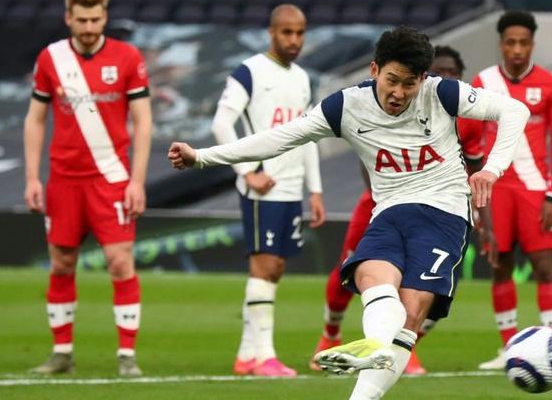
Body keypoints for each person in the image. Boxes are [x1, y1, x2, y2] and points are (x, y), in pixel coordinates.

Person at [169, 25, 528, 399]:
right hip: (389, 210)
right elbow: (278, 139)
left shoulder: (442, 93)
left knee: (411, 311)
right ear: (374, 70)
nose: (398, 93)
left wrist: (491, 169)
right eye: (391, 80)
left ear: (423, 77)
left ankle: (372, 358)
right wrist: (202, 157)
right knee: (372, 277)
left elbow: (514, 109)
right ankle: (374, 344)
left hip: (444, 212)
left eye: (409, 84)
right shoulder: (345, 106)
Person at [308, 45, 497, 376]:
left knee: (428, 288)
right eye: (440, 71)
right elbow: (370, 160)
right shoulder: (400, 103)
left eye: (453, 73)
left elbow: (476, 167)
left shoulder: (468, 118)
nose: (445, 78)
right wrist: (389, 201)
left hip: (441, 211)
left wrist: (484, 220)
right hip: (383, 204)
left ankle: (403, 346)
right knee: (353, 269)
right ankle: (329, 335)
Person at [23, 0, 152, 377]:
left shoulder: (128, 57)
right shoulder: (50, 59)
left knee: (120, 262)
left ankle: (127, 357)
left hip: (110, 178)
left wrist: (137, 180)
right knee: (62, 264)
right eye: (82, 20)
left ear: (105, 17)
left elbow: (143, 121)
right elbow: (35, 118)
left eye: (96, 19)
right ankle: (61, 352)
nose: (90, 27)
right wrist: (32, 177)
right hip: (63, 179)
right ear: (68, 18)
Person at [211, 4, 326, 378]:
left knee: (275, 269)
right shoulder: (250, 71)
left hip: (291, 187)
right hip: (264, 186)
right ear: (271, 33)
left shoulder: (302, 78)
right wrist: (247, 172)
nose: (294, 40)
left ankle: (247, 355)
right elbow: (221, 124)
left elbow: (308, 135)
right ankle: (265, 357)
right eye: (286, 32)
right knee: (264, 266)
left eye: (300, 33)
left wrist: (316, 190)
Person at [457, 11, 552, 370]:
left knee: (544, 266)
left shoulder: (551, 85)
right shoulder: (483, 81)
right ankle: (509, 348)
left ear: (532, 44)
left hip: (535, 188)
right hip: (497, 187)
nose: (517, 49)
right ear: (501, 43)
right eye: (510, 42)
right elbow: (471, 139)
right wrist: (475, 195)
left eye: (523, 42)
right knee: (500, 264)